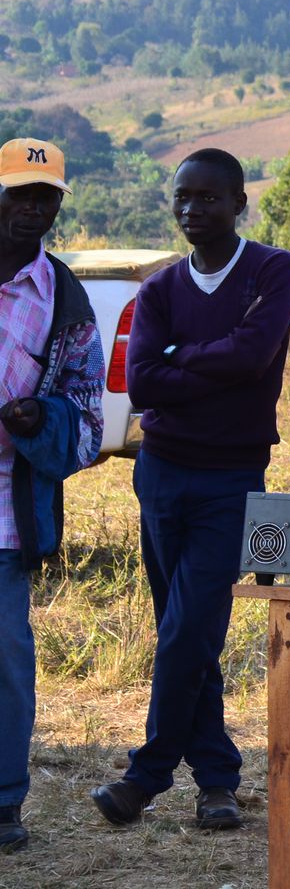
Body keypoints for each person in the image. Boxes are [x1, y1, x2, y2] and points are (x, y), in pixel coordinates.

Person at [92, 149, 290, 831]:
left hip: (230, 479)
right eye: (183, 197)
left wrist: (180, 358)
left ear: (240, 202)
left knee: (187, 629)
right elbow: (141, 383)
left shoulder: (274, 270)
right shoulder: (158, 290)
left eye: (209, 198)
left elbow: (254, 355)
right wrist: (200, 366)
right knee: (186, 633)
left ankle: (146, 775)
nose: (193, 210)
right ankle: (216, 780)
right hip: (160, 475)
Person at [0, 138, 105, 853]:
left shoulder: (63, 297)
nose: (34, 207)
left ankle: (4, 805)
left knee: (7, 663)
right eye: (21, 193)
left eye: (47, 197)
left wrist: (44, 420)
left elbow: (89, 415)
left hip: (10, 516)